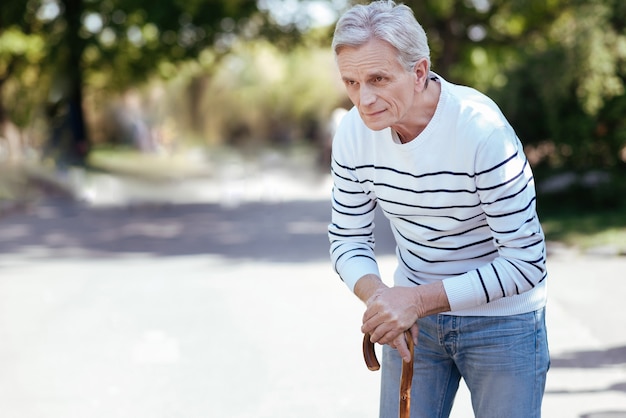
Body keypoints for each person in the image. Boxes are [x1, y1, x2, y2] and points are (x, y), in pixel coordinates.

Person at [327, 2, 550, 417]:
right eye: (352, 82)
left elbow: (527, 264)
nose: (365, 99)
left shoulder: (482, 131)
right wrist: (383, 300)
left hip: (503, 324)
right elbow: (347, 238)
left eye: (378, 79)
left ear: (418, 71)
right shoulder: (353, 135)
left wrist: (416, 300)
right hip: (413, 326)